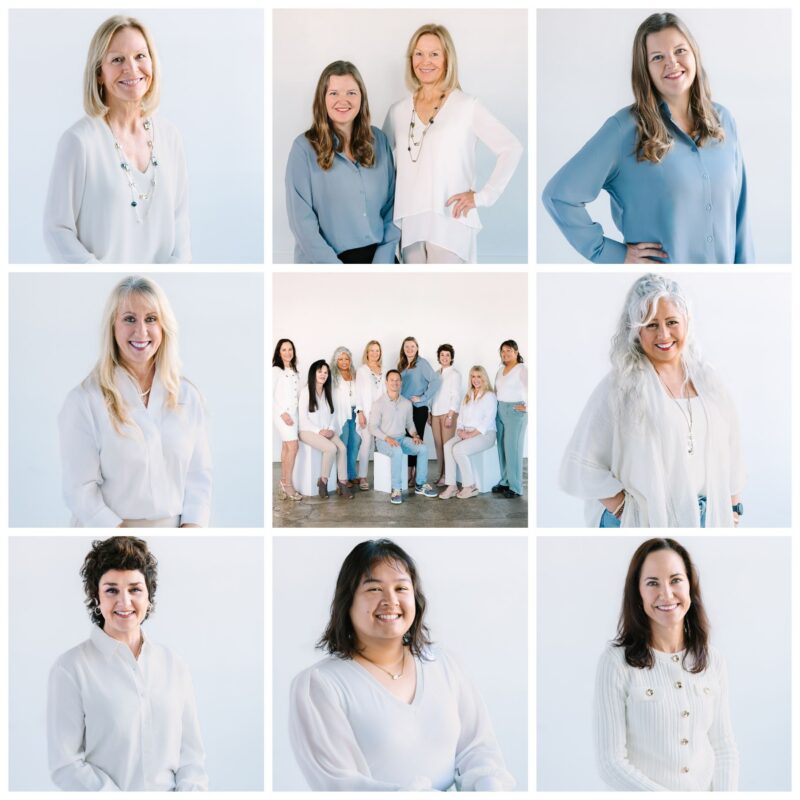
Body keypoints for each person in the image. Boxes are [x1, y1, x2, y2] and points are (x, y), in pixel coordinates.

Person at [289, 539, 515, 790]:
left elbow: (477, 748)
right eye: (374, 589)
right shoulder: (320, 684)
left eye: (401, 588)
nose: (390, 600)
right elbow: (340, 784)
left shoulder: (442, 664)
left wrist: (488, 785)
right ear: (347, 602)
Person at [542, 12, 753, 264]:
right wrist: (614, 256)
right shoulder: (624, 130)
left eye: (679, 50)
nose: (672, 63)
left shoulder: (724, 121)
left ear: (694, 53)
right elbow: (559, 196)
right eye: (657, 57)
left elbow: (740, 218)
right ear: (645, 69)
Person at [560, 273, 744, 527]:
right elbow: (581, 462)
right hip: (641, 518)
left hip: (706, 516)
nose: (664, 335)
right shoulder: (620, 386)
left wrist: (733, 507)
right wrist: (627, 511)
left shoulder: (709, 382)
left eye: (671, 322)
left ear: (687, 323)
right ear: (635, 330)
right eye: (651, 325)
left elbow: (731, 447)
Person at [47, 536, 207, 790]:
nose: (124, 602)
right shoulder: (71, 669)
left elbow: (191, 758)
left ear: (149, 596)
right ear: (96, 598)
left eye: (135, 589)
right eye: (111, 590)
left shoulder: (174, 666)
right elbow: (65, 764)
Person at [58, 275, 211, 527]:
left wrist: (191, 531)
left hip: (177, 534)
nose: (141, 331)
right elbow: (79, 491)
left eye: (151, 319)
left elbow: (198, 477)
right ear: (112, 326)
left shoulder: (187, 396)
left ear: (164, 327)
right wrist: (122, 537)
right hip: (109, 536)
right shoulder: (84, 401)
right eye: (129, 319)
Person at [44, 16, 190, 264]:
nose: (132, 69)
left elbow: (180, 223)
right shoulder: (78, 142)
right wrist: (104, 279)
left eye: (140, 56)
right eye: (117, 59)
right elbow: (57, 231)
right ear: (99, 73)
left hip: (160, 286)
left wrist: (169, 277)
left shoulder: (170, 136)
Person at [594, 538, 738, 790]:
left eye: (675, 580)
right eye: (652, 583)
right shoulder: (616, 663)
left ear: (690, 586)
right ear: (637, 592)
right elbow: (611, 764)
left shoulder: (713, 660)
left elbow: (723, 747)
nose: (666, 594)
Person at [384, 23, 523, 263]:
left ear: (448, 59)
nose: (425, 61)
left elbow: (511, 148)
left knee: (447, 293)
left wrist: (482, 197)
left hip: (450, 221)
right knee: (416, 296)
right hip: (410, 224)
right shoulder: (397, 111)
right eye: (419, 54)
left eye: (434, 54)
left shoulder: (467, 106)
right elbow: (377, 160)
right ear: (411, 59)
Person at [286, 61, 400, 263]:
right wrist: (338, 273)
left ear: (361, 97)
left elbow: (393, 206)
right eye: (334, 93)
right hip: (328, 263)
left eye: (351, 93)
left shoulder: (379, 141)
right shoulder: (303, 149)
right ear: (322, 99)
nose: (343, 100)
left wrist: (383, 262)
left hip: (380, 259)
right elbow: (303, 225)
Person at [368, 371, 439, 504]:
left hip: (401, 438)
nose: (395, 382)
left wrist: (414, 435)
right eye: (391, 380)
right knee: (397, 451)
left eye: (397, 380)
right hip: (384, 441)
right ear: (386, 382)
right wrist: (387, 438)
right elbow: (372, 427)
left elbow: (409, 424)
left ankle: (420, 485)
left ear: (401, 383)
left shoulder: (406, 403)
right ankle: (396, 489)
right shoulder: (378, 403)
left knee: (422, 448)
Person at [439, 366, 498, 499]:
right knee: (448, 446)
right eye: (473, 376)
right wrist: (459, 430)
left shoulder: (489, 395)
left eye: (478, 376)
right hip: (466, 432)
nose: (475, 380)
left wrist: (471, 435)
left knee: (458, 450)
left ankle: (470, 487)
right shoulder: (468, 395)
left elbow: (488, 419)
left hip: (485, 434)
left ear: (484, 378)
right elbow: (460, 417)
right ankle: (452, 486)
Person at [298, 360, 353, 499]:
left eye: (325, 372)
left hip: (326, 430)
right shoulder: (306, 392)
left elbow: (332, 414)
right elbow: (303, 419)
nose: (323, 374)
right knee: (331, 449)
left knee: (342, 448)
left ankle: (342, 483)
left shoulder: (328, 391)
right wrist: (319, 431)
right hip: (307, 431)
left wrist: (331, 428)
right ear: (313, 373)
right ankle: (323, 482)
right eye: (320, 371)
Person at [398, 336, 440, 486]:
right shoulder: (402, 365)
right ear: (403, 349)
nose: (409, 349)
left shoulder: (422, 364)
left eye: (412, 346)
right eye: (407, 347)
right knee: (407, 441)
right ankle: (408, 473)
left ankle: (415, 474)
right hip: (404, 410)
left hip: (418, 409)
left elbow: (436, 381)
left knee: (416, 441)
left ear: (417, 348)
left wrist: (423, 398)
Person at [493, 340, 527, 498]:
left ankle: (516, 486)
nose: (505, 354)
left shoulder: (522, 369)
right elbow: (496, 390)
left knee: (513, 449)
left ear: (516, 351)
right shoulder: (500, 370)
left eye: (509, 350)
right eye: (503, 351)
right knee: (502, 447)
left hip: (515, 411)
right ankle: (505, 481)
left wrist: (528, 406)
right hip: (500, 409)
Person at [273, 338, 302, 501]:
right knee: (293, 446)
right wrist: (282, 413)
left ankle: (283, 481)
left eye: (290, 349)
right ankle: (288, 484)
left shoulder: (294, 370)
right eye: (284, 349)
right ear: (279, 352)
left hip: (294, 414)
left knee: (286, 446)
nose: (287, 352)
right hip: (282, 414)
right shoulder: (276, 370)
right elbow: (271, 395)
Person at [354, 340, 385, 490]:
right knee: (366, 444)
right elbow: (358, 393)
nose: (374, 353)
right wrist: (360, 412)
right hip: (366, 413)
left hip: (381, 415)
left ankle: (383, 476)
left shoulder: (383, 371)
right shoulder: (362, 370)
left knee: (380, 444)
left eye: (377, 350)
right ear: (367, 353)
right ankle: (362, 476)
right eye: (372, 350)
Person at [428, 343, 461, 485]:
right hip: (435, 413)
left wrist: (450, 415)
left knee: (447, 446)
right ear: (439, 357)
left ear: (451, 357)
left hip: (448, 414)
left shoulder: (455, 374)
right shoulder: (435, 374)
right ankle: (440, 474)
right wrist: (429, 412)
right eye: (442, 355)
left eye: (447, 355)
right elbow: (431, 394)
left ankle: (448, 476)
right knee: (438, 445)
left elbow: (456, 396)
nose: (445, 357)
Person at [330, 346, 361, 487]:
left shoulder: (355, 374)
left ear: (350, 360)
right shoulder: (332, 376)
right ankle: (340, 477)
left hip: (355, 412)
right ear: (336, 360)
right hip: (341, 413)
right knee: (344, 444)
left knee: (355, 443)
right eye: (340, 359)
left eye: (346, 358)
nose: (344, 362)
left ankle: (351, 474)